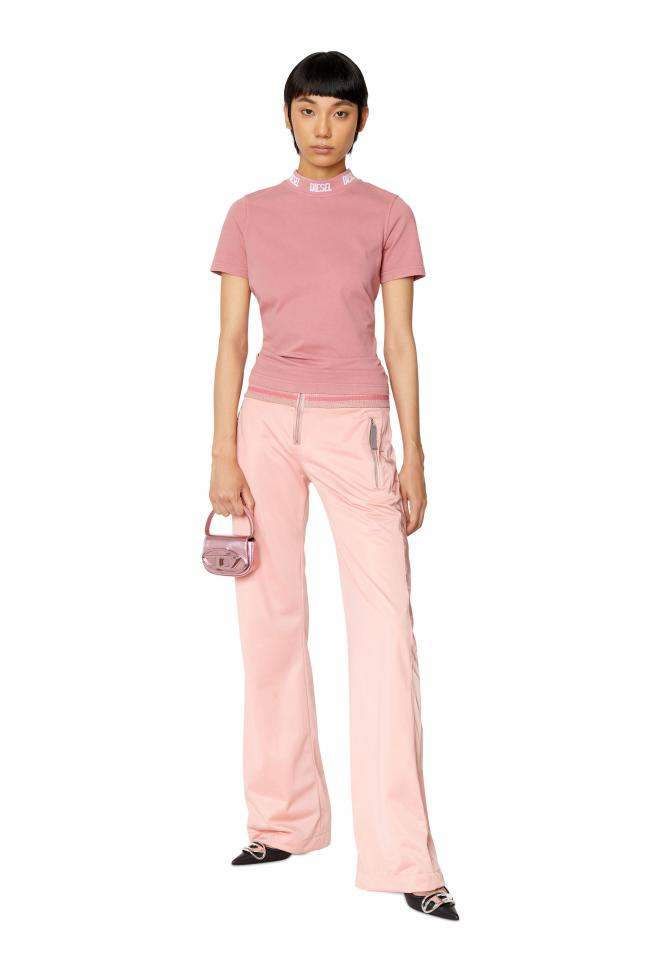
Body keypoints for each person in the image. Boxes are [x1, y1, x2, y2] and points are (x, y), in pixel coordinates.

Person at [207, 50, 459, 921]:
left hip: (359, 429)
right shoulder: (248, 213)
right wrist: (221, 452)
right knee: (269, 622)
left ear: (361, 121)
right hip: (265, 426)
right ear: (287, 116)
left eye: (339, 113)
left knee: (385, 633)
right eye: (308, 110)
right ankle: (281, 821)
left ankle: (404, 860)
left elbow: (400, 343)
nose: (323, 127)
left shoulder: (388, 213)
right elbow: (231, 342)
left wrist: (414, 454)